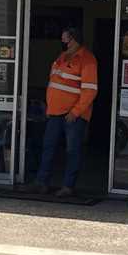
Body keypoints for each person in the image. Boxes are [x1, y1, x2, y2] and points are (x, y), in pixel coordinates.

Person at [28, 27, 98, 198]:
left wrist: (75, 112)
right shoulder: (61, 57)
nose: (62, 41)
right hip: (55, 113)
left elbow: (90, 90)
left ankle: (68, 186)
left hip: (73, 115)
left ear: (73, 39)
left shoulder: (87, 59)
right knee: (48, 147)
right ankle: (41, 182)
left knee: (72, 151)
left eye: (64, 38)